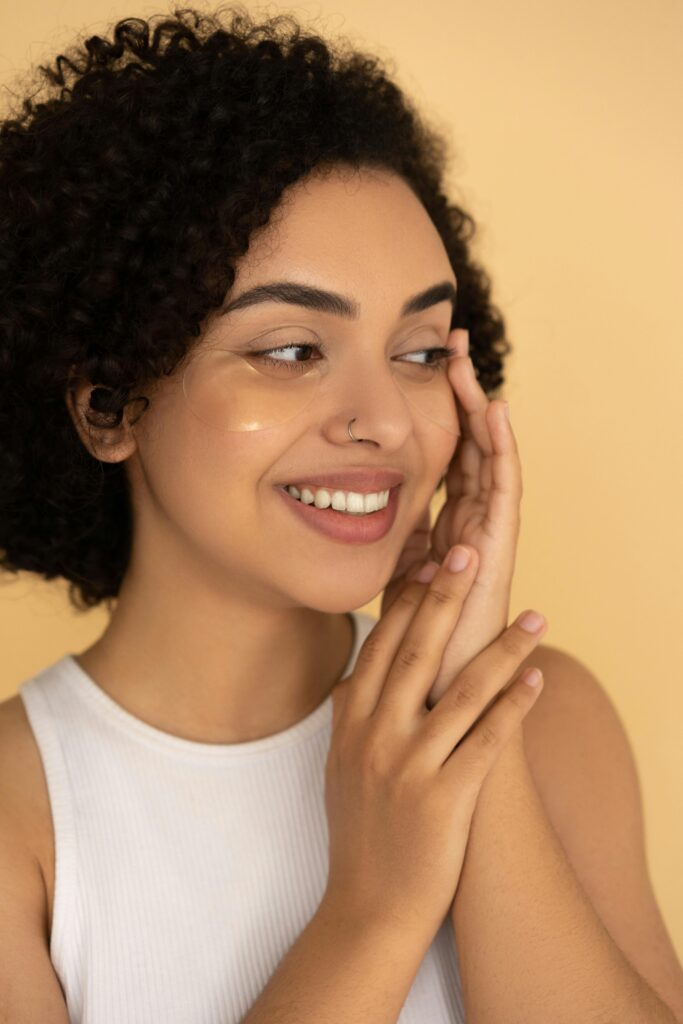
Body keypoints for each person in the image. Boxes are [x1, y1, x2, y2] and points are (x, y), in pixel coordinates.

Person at [2, 7, 683, 1024]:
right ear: (108, 405)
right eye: (290, 349)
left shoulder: (548, 720)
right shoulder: (20, 821)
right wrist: (374, 905)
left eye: (416, 352)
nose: (383, 423)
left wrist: (463, 722)